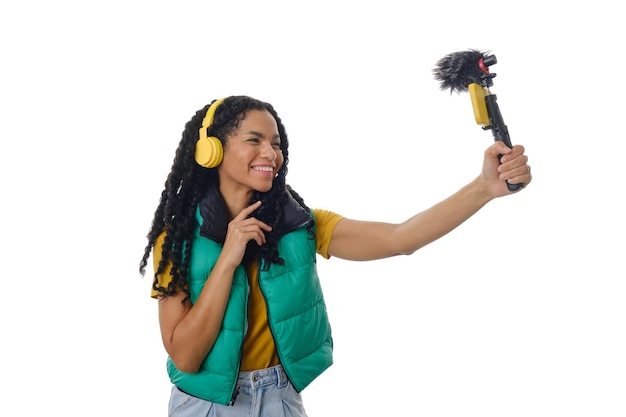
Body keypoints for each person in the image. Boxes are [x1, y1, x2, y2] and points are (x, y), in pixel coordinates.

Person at [139, 95, 532, 416]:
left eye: (276, 143)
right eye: (254, 140)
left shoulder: (300, 224)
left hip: (281, 401)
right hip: (206, 407)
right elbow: (187, 359)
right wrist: (228, 258)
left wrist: (484, 188)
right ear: (212, 150)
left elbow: (401, 237)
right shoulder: (176, 240)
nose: (270, 153)